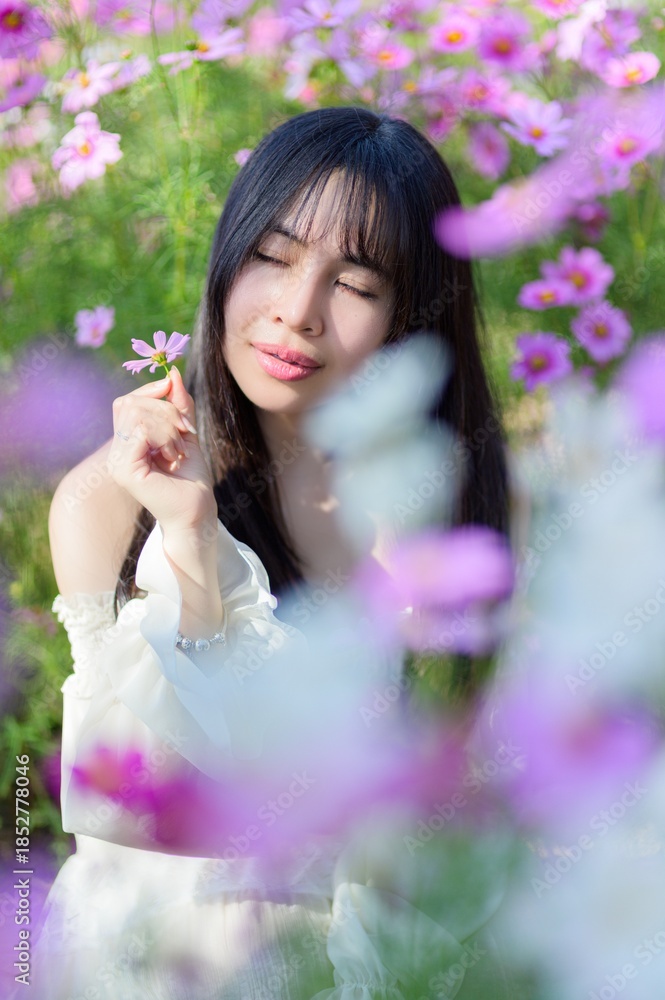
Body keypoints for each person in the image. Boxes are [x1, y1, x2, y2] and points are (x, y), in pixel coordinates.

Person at [40, 106, 510, 999]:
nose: (297, 313)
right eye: (274, 256)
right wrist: (187, 536)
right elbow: (137, 803)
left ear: (410, 317)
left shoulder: (431, 517)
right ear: (229, 253)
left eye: (357, 284)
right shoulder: (108, 500)